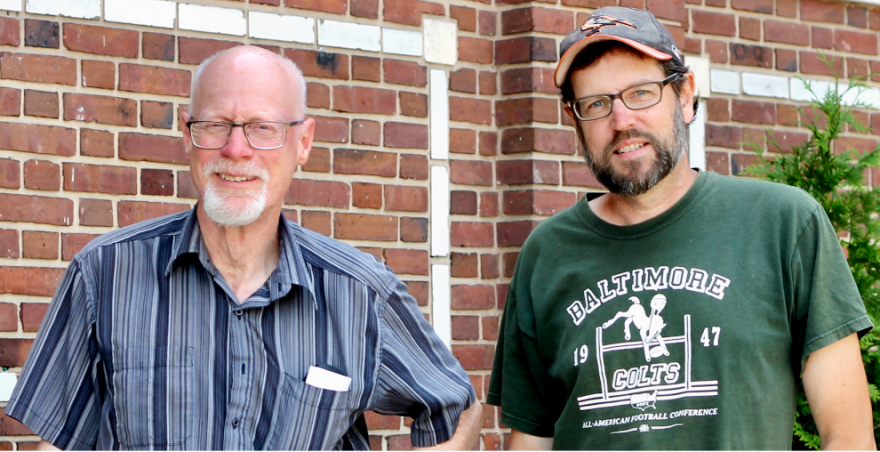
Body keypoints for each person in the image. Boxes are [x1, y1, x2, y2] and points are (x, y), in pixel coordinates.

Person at [7, 46, 481, 451]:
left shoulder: (360, 293)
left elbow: (456, 408)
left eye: (263, 128)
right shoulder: (105, 274)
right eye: (215, 125)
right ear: (187, 134)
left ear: (303, 142)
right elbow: (58, 441)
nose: (236, 150)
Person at [487, 6, 875, 451]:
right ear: (575, 121)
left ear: (686, 95)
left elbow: (849, 438)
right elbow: (531, 441)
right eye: (596, 104)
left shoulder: (783, 224)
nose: (622, 121)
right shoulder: (547, 253)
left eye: (641, 93)